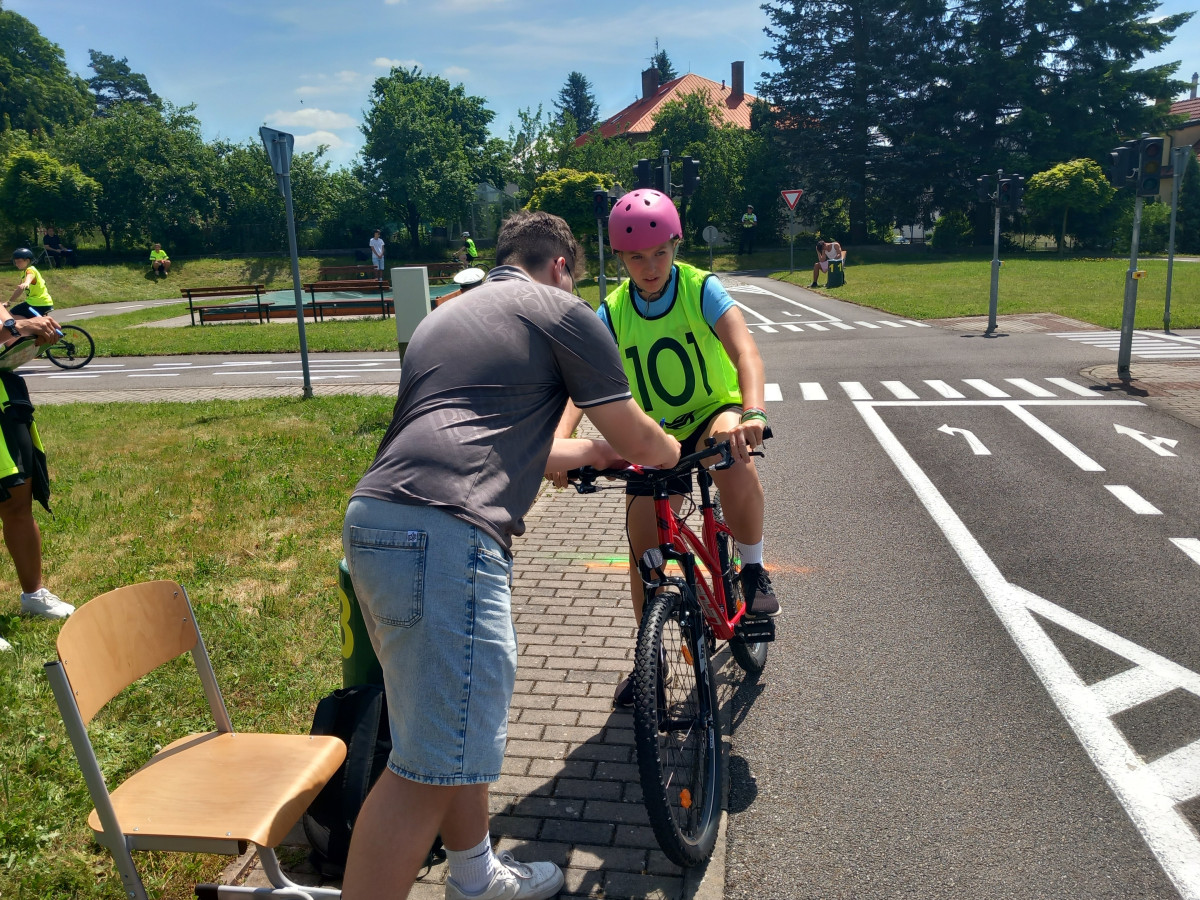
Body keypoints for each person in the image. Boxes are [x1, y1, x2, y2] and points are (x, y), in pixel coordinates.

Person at [340, 209, 679, 900]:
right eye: (575, 278)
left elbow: (485, 435)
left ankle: (475, 875)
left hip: (377, 520)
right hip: (447, 534)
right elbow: (642, 440)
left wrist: (585, 452)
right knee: (423, 768)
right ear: (562, 266)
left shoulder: (449, 315)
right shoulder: (559, 311)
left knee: (448, 729)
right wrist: (673, 455)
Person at [552, 188, 778, 709]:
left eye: (659, 253)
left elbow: (744, 349)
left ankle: (751, 567)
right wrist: (562, 443)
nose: (649, 266)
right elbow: (579, 390)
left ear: (675, 244)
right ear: (620, 258)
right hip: (656, 434)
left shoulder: (702, 289)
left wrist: (753, 413)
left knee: (732, 454)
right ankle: (649, 660)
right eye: (636, 257)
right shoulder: (611, 311)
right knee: (641, 542)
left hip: (709, 415)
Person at [0, 262, 71, 652]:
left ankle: (33, 595)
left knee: (18, 504)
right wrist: (18, 327)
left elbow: (5, 349)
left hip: (8, 410)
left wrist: (32, 338)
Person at [10, 247, 55, 318]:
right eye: (15, 262)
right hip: (43, 302)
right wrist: (9, 302)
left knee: (11, 315)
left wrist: (26, 283)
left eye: (19, 261)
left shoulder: (30, 270)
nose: (17, 264)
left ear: (27, 261)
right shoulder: (23, 273)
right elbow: (19, 290)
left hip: (37, 303)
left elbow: (29, 277)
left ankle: (28, 328)